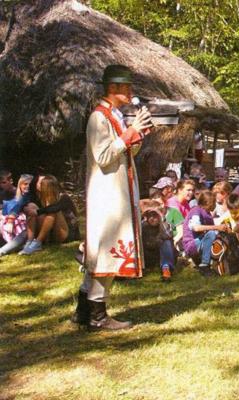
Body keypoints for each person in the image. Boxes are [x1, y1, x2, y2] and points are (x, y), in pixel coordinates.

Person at [71, 64, 153, 331]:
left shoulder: (114, 115)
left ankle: (84, 312)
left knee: (103, 254)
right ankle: (97, 315)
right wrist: (130, 133)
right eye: (126, 87)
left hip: (118, 191)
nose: (130, 91)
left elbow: (125, 152)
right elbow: (103, 156)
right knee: (106, 254)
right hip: (106, 195)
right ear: (114, 88)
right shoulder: (99, 117)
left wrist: (137, 134)